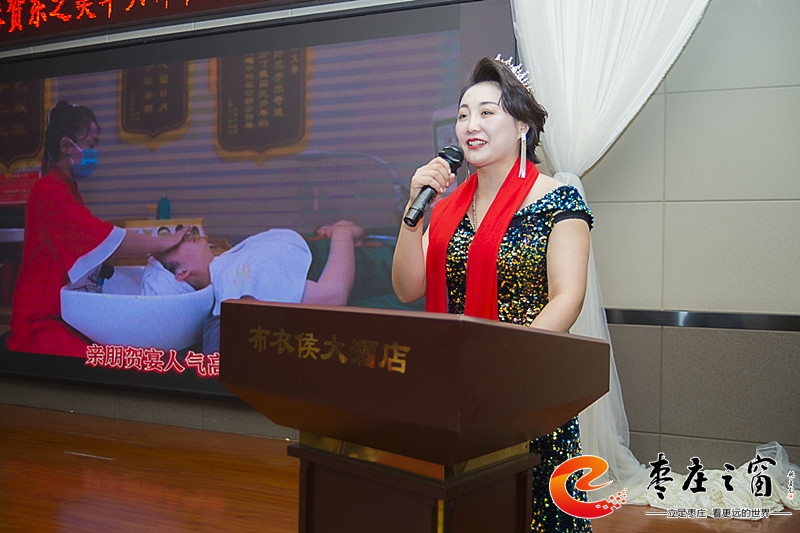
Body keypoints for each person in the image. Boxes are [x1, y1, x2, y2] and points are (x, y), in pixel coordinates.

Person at [392, 56, 593, 533]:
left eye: (487, 112)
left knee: (531, 512)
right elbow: (407, 288)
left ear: (522, 126)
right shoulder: (446, 209)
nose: (470, 125)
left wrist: (505, 367)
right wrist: (413, 213)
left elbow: (567, 298)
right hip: (457, 390)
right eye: (463, 114)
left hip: (525, 385)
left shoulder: (558, 200)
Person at [8, 101, 187, 358]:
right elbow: (101, 237)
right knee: (110, 361)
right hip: (40, 322)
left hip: (62, 311)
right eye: (91, 144)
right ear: (66, 146)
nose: (94, 152)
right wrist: (164, 242)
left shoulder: (67, 188)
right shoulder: (49, 190)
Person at [153, 220, 364, 353]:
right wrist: (342, 233)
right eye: (174, 245)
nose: (184, 236)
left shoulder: (227, 265)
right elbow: (333, 295)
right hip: (360, 263)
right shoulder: (239, 285)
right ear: (182, 273)